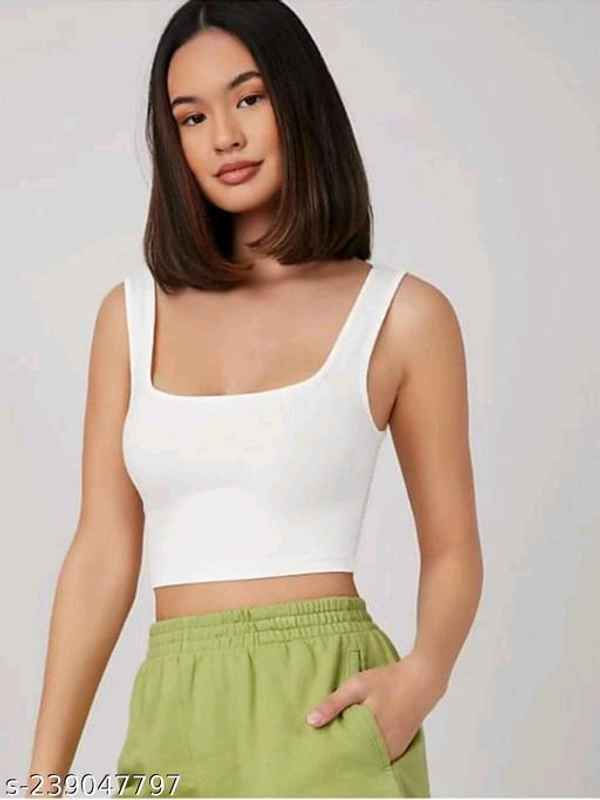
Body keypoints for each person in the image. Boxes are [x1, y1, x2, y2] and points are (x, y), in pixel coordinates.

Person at [27, 1, 483, 797]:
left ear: (298, 101)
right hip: (174, 710)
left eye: (249, 98)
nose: (224, 137)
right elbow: (100, 553)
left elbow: (452, 547)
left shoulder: (404, 315)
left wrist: (424, 677)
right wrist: (40, 783)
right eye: (192, 116)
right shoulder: (129, 317)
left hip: (330, 704)